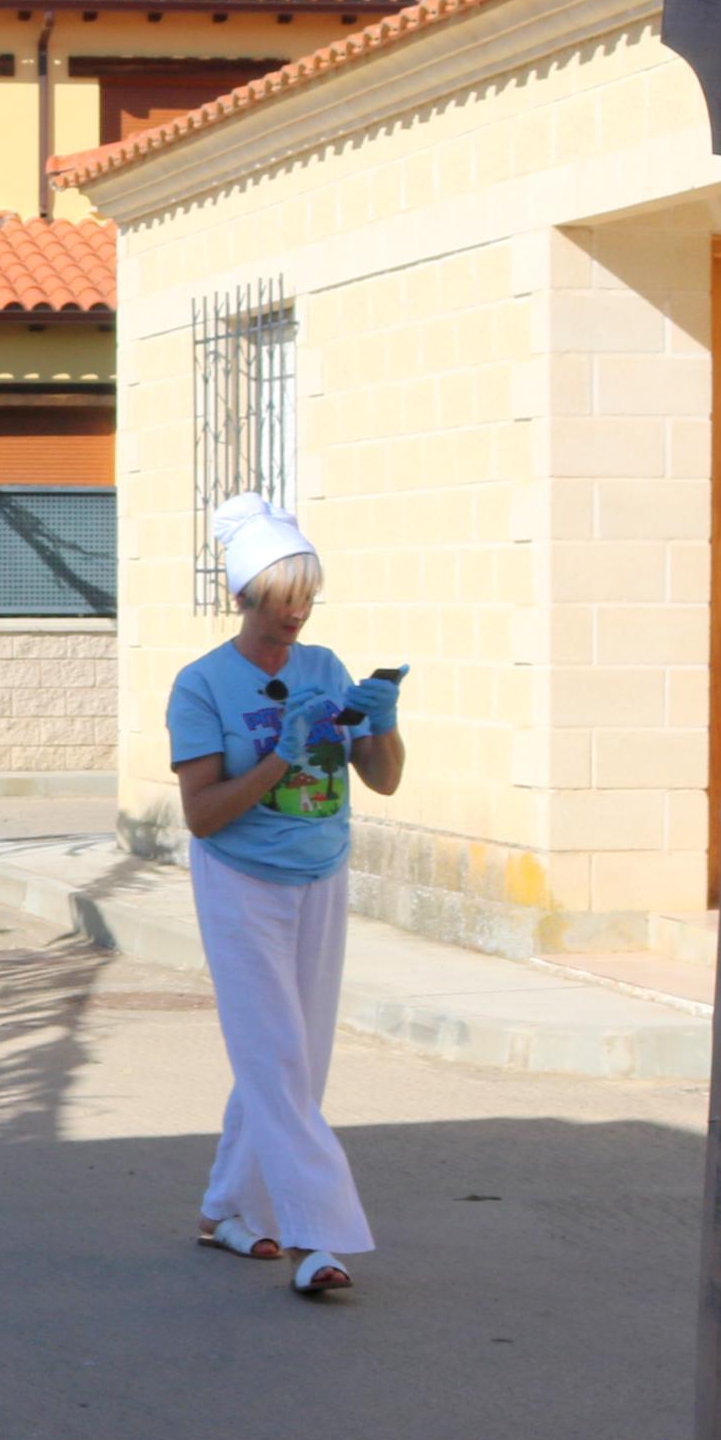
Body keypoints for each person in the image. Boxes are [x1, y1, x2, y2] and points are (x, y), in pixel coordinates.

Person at [168, 494, 405, 1301]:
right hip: (240, 880)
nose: (294, 616)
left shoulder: (325, 666)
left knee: (296, 1058)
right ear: (242, 596)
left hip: (320, 873)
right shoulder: (200, 685)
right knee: (274, 1056)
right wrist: (278, 760)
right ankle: (317, 1235)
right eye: (278, 602)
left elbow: (382, 777)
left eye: (304, 599)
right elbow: (201, 816)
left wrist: (382, 723)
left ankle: (228, 1208)